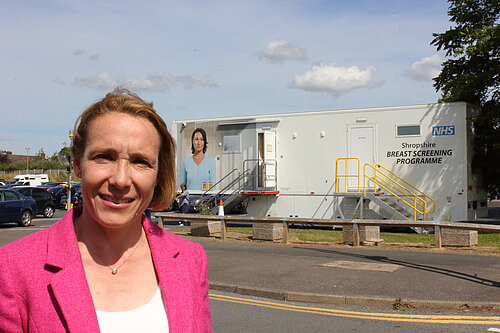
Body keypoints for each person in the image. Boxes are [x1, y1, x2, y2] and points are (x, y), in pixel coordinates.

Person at [0, 88, 212, 332]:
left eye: (140, 162)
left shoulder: (190, 260)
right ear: (78, 164)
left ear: (158, 174)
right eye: (104, 157)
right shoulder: (13, 268)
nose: (120, 180)